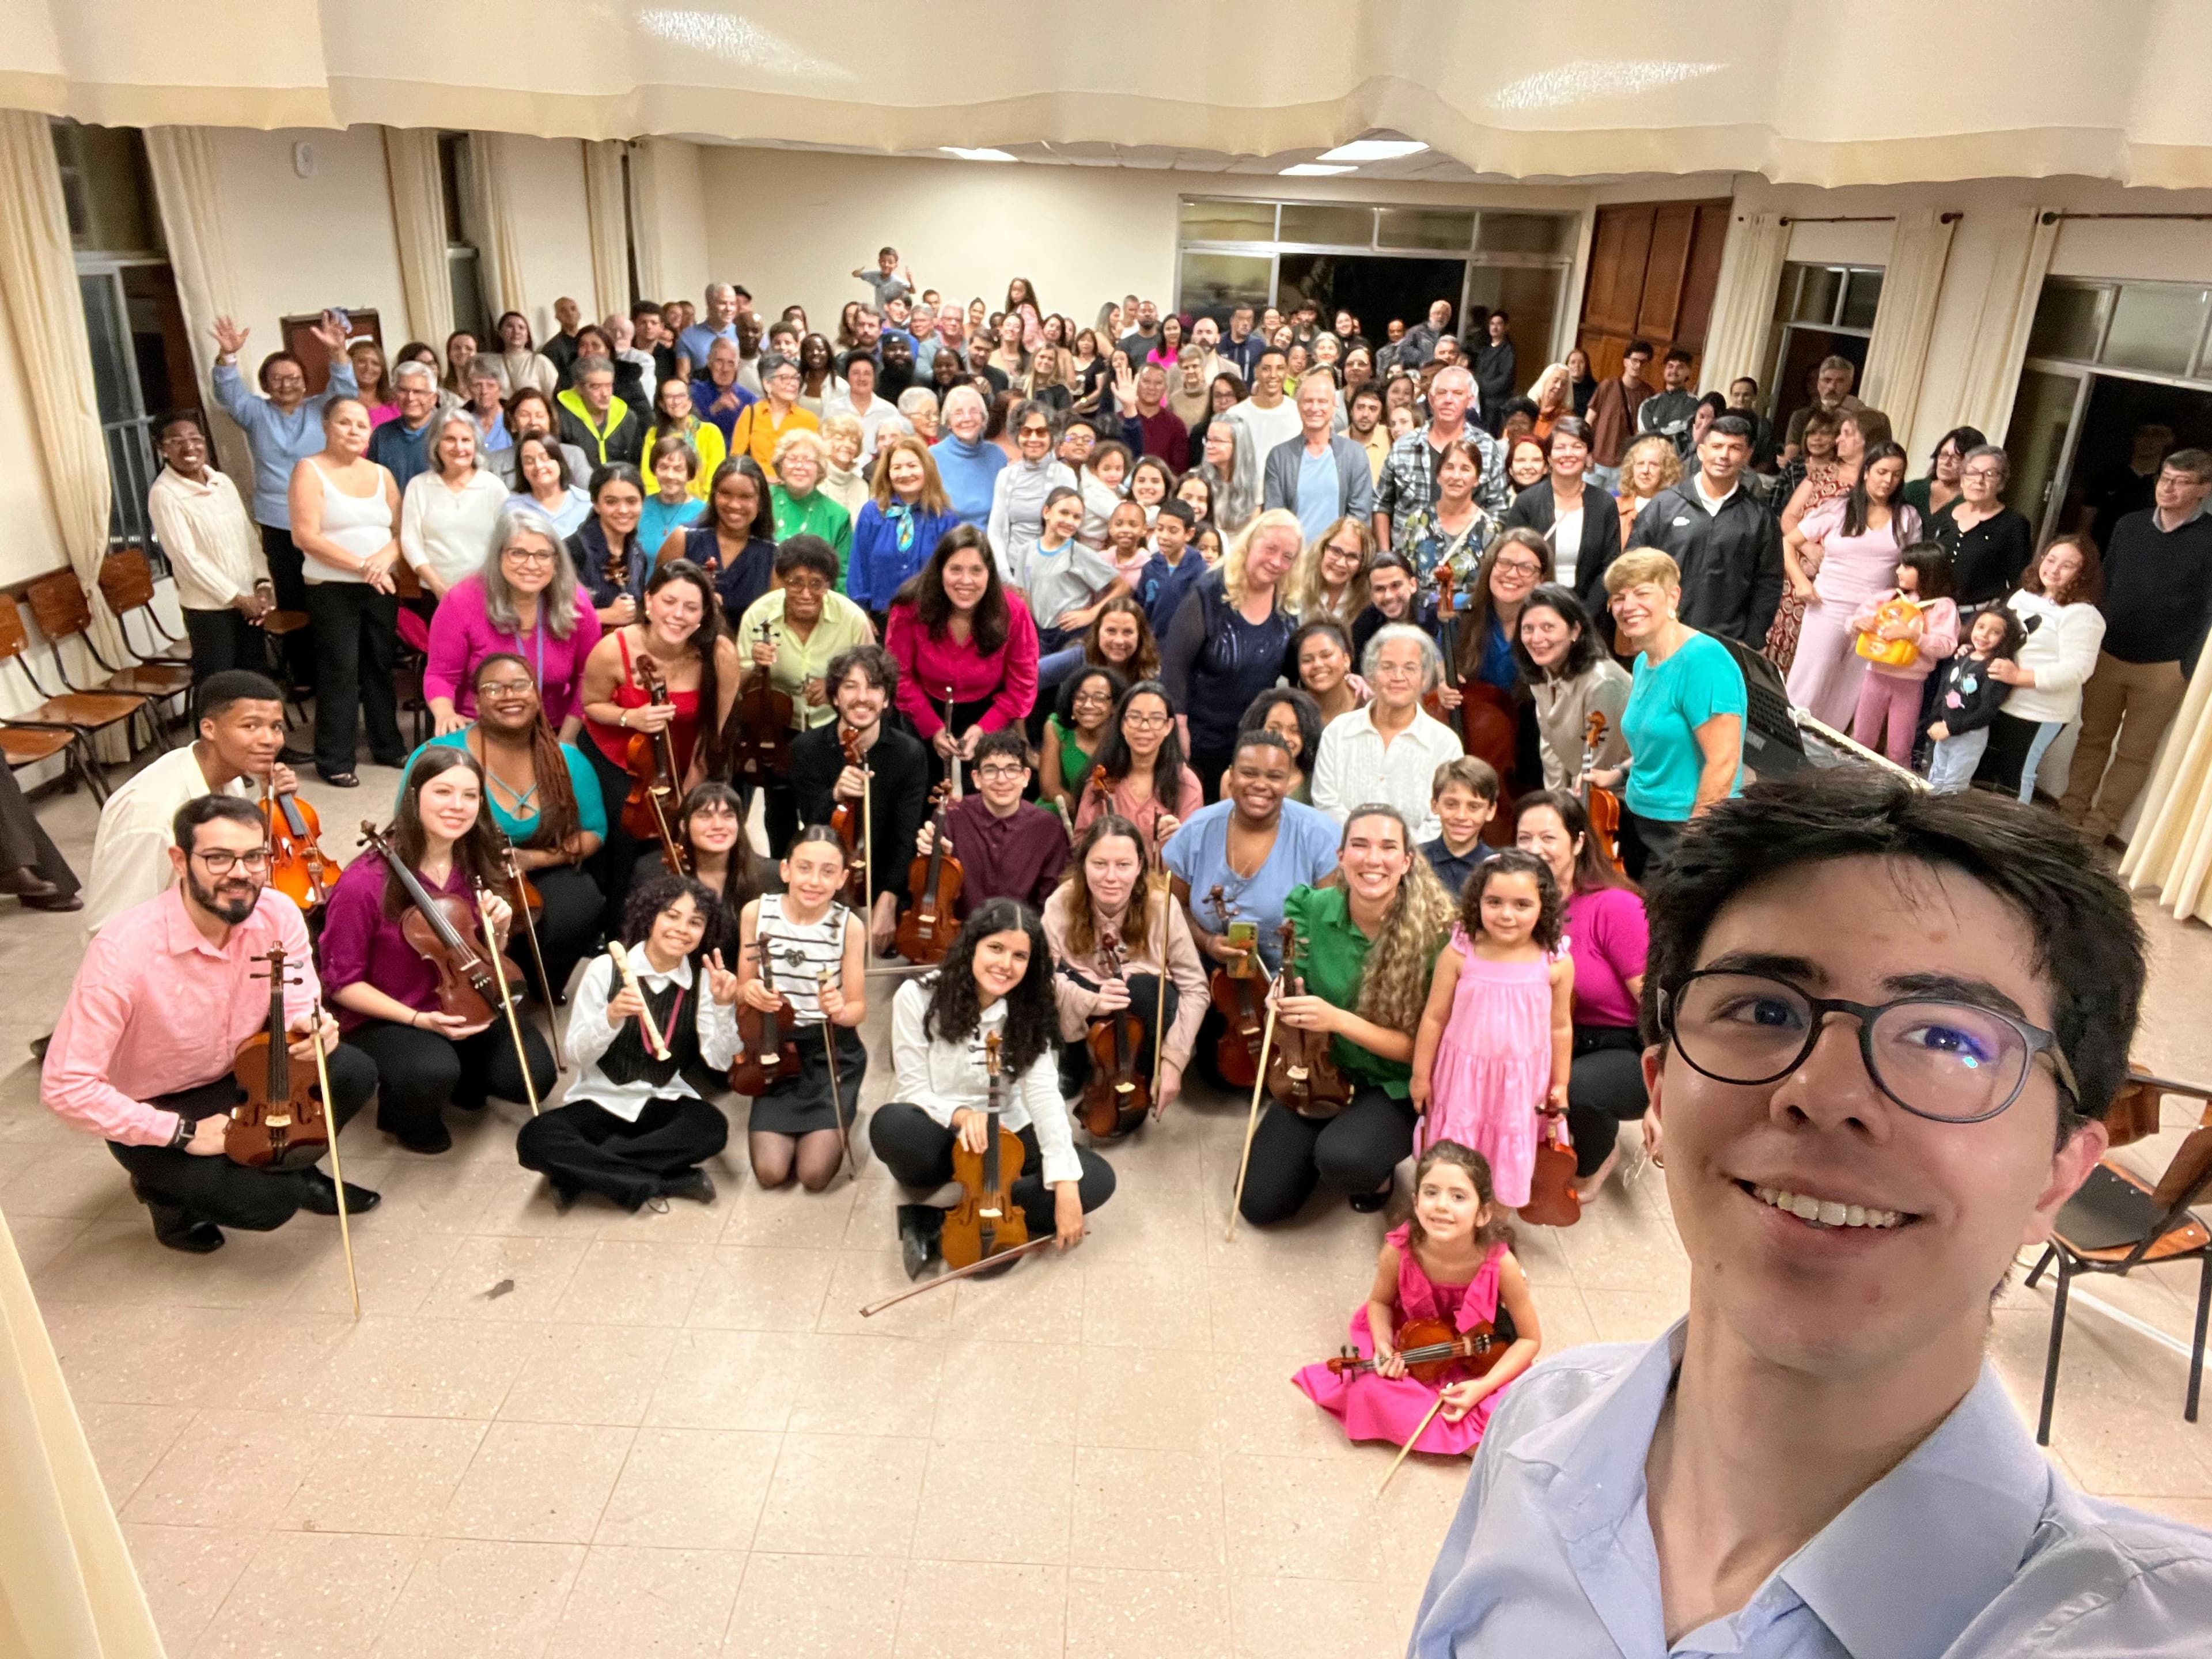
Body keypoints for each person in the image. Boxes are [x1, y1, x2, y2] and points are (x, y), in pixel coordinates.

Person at [1411, 767, 2209, 1659]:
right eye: (1762, 1008)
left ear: (2060, 1173)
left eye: (1946, 1037)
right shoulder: (1535, 1426)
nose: (1824, 1093)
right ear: (1662, 1096)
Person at [44, 794, 379, 1251]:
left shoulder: (277, 913)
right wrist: (181, 1133)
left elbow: (301, 994)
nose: (240, 873)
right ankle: (164, 1196)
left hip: (240, 1073)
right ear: (180, 861)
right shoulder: (122, 951)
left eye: (253, 856)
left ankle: (293, 1164)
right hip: (158, 1103)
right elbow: (66, 1087)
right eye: (218, 858)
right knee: (269, 1203)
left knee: (351, 1071)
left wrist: (312, 1023)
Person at [321, 748, 556, 1154]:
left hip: (466, 997)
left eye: (470, 796)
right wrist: (419, 1020)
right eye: (443, 792)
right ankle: (406, 1116)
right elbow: (343, 985)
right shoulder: (363, 883)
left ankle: (461, 1075)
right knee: (429, 1073)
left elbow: (481, 954)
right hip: (390, 1013)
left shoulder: (474, 861)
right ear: (414, 797)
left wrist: (498, 932)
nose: (457, 806)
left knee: (533, 1078)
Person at [871, 899, 1115, 1277]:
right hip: (941, 1132)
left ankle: (946, 1215)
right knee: (891, 1125)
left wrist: (1065, 1183)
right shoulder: (916, 997)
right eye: (996, 948)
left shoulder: (1030, 1006)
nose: (1006, 965)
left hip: (1007, 1134)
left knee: (1096, 1181)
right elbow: (914, 1087)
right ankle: (967, 1196)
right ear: (973, 945)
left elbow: (1043, 1093)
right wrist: (961, 1115)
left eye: (1020, 956)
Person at [1236, 804, 1456, 1221]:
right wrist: (1282, 997)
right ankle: (1330, 1140)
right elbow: (1296, 980)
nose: (1373, 859)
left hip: (1392, 1083)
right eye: (1359, 845)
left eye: (1388, 847)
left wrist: (1337, 1020)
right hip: (1321, 1070)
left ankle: (1375, 1170)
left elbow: (1428, 1053)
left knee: (1345, 1161)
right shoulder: (1312, 907)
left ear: (1407, 861)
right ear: (1341, 857)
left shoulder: (1439, 937)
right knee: (1260, 1205)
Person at [1293, 1139, 1542, 1452]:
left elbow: (1530, 1340)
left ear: (1483, 1213)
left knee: (1519, 1403)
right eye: (1431, 1192)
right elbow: (1379, 1303)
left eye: (1459, 1196)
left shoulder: (1501, 1263)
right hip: (1415, 1342)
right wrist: (1384, 1347)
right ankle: (1466, 1440)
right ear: (1415, 1202)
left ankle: (1453, 1430)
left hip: (1481, 1354)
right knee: (1367, 1387)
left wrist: (1483, 1388)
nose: (1441, 1205)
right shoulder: (1399, 1250)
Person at [514, 872, 736, 1212]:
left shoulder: (704, 980)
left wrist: (722, 1007)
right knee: (534, 1139)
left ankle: (580, 1174)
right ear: (650, 917)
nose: (682, 929)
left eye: (695, 922)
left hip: (664, 1097)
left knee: (712, 1129)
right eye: (672, 916)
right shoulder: (606, 969)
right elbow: (576, 1055)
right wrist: (611, 1017)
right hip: (601, 1099)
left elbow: (720, 1062)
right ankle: (666, 1180)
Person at [403, 648, 605, 990]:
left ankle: (540, 982)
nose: (509, 696)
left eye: (520, 685)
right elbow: (410, 830)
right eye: (494, 689)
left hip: (534, 866)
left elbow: (594, 832)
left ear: (538, 698)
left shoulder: (567, 759)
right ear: (476, 703)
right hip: (459, 867)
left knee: (579, 904)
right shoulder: (437, 755)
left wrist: (535, 859)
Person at [2060, 448, 2212, 844]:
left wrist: (2188, 667)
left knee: (2134, 754)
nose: (2168, 487)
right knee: (2092, 737)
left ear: (2204, 490)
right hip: (2109, 652)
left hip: (2165, 667)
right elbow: (2104, 583)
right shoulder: (2130, 525)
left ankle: (2096, 831)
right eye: (2165, 477)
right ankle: (2068, 816)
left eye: (2181, 482)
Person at [577, 559, 741, 924]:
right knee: (624, 841)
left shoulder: (720, 655)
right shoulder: (612, 648)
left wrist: (688, 794)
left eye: (691, 607)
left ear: (704, 614)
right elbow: (591, 706)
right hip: (619, 757)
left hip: (684, 759)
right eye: (669, 602)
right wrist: (630, 717)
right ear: (648, 601)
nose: (678, 615)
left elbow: (711, 735)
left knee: (680, 839)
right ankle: (617, 927)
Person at [1411, 847, 1573, 1208]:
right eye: (1494, 901)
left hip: (1520, 1084)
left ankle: (1495, 1230)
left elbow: (1560, 1027)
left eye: (1522, 904)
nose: (1506, 915)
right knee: (1455, 1157)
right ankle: (1450, 1226)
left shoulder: (1556, 961)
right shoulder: (1461, 951)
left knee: (1507, 1158)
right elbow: (1434, 1017)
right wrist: (1421, 1076)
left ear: (1543, 907)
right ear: (1477, 900)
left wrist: (1560, 1084)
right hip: (1462, 1080)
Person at [209, 308, 356, 694]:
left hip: (325, 518)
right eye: (276, 379)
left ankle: (338, 673)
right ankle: (303, 674)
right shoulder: (255, 413)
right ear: (266, 385)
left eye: (293, 378)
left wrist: (338, 353)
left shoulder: (320, 409)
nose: (286, 384)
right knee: (293, 600)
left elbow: (347, 393)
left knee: (330, 595)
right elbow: (229, 394)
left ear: (305, 382)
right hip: (278, 519)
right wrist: (228, 357)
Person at [81, 671, 294, 935]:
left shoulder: (230, 778)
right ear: (209, 729)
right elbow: (113, 928)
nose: (269, 740)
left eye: (276, 727)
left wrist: (264, 804)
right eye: (250, 726)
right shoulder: (152, 815)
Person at [1512, 789, 1647, 1198]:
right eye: (1524, 839)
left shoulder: (1614, 906)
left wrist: (1668, 1093)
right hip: (1554, 1035)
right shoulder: (1519, 905)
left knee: (1580, 1090)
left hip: (1624, 1046)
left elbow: (1659, 1004)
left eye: (1548, 838)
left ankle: (1600, 1156)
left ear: (1578, 842)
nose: (1535, 849)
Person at [729, 826, 868, 1192]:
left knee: (814, 1176)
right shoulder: (756, 912)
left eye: (827, 871)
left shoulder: (849, 926)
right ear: (786, 870)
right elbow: (744, 987)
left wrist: (839, 1010)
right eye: (804, 868)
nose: (814, 881)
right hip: (775, 1049)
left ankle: (843, 1109)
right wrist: (752, 991)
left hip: (829, 1049)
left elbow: (857, 1009)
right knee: (771, 1174)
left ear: (842, 878)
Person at [1043, 813, 1207, 1119]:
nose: (1111, 877)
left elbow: (1195, 987)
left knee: (1149, 990)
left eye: (1123, 865)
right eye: (1099, 864)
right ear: (1083, 865)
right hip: (1084, 1006)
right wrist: (1091, 1000)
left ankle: (1138, 1070)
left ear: (1140, 867)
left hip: (1136, 1012)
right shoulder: (1061, 902)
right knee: (1061, 982)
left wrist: (1174, 1060)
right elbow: (1040, 979)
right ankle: (1074, 1058)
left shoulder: (1162, 905)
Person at [1595, 551, 1745, 879]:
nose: (1628, 605)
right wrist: (1619, 774)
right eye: (1619, 597)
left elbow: (1723, 762)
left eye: (1642, 593)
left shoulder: (1704, 661)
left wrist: (1694, 847)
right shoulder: (1644, 660)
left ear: (1672, 597)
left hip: (1680, 830)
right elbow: (1661, 740)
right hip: (1641, 819)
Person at [288, 397, 404, 786]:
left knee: (379, 666)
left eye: (361, 424)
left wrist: (383, 558)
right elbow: (305, 536)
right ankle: (335, 758)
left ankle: (387, 746)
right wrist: (363, 567)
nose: (354, 431)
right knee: (340, 671)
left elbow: (401, 533)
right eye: (344, 423)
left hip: (381, 585)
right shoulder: (309, 471)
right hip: (333, 587)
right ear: (326, 426)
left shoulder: (381, 474)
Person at [791, 645, 929, 956]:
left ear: (887, 699)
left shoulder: (909, 754)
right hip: (825, 877)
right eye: (850, 687)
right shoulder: (807, 749)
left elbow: (904, 837)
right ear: (836, 697)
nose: (862, 697)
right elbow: (810, 825)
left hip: (885, 878)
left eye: (874, 687)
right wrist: (835, 795)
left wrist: (888, 900)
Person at [424, 503, 602, 738]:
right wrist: (445, 714)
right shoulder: (460, 601)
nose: (531, 565)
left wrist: (566, 741)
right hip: (479, 729)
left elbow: (588, 678)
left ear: (556, 562)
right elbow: (441, 675)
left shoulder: (576, 603)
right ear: (498, 556)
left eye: (543, 555)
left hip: (551, 728)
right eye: (518, 553)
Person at [1160, 509, 1301, 798]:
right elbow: (1175, 666)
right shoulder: (1208, 593)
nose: (1277, 562)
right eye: (1270, 549)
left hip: (1255, 743)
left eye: (1287, 556)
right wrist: (1180, 728)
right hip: (1200, 740)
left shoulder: (1286, 607)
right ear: (1250, 544)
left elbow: (1295, 668)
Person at [884, 526, 1041, 782]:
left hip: (990, 713)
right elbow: (898, 675)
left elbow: (1023, 682)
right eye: (956, 569)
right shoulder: (909, 607)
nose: (966, 581)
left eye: (976, 570)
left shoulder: (1013, 611)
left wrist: (985, 729)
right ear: (940, 570)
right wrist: (931, 727)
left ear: (990, 574)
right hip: (921, 712)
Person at [1781, 440, 1922, 726]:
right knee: (1810, 681)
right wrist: (1801, 583)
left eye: (1896, 474)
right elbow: (1788, 541)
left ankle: (1821, 756)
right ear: (1867, 471)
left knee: (1849, 692)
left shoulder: (1907, 517)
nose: (1888, 480)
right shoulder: (1838, 508)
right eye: (1882, 472)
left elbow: (1914, 567)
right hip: (1828, 606)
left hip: (1876, 616)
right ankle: (1784, 740)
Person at [1620, 416, 1783, 646]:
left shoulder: (1760, 518)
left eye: (1735, 448)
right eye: (1717, 447)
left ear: (1748, 455)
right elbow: (1633, 566)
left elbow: (1768, 583)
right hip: (1662, 635)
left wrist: (1752, 639)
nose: (1724, 456)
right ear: (1701, 451)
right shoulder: (1664, 505)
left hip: (1725, 644)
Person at [147, 411, 277, 684]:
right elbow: (187, 560)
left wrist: (262, 585)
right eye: (177, 441)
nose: (189, 447)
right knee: (218, 687)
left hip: (249, 604)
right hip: (209, 611)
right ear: (163, 449)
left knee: (254, 681)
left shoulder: (222, 483)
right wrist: (240, 600)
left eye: (195, 438)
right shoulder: (165, 494)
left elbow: (249, 537)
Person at [1977, 536, 2108, 802]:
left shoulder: (2083, 615)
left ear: (2083, 574)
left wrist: (2019, 677)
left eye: (2068, 565)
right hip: (2001, 699)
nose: (2055, 569)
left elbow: (2078, 670)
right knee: (1984, 771)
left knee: (2016, 777)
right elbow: (2000, 634)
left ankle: (2014, 837)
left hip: (2039, 712)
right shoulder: (2023, 596)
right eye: (2051, 560)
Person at [1312, 625, 1465, 840]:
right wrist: (1365, 845)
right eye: (1387, 667)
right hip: (1345, 858)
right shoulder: (1337, 732)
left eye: (1410, 668)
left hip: (1418, 863)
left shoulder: (1445, 743)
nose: (1398, 677)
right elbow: (1326, 804)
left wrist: (1398, 851)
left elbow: (1443, 817)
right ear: (1372, 674)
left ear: (1424, 678)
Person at [920, 726, 1070, 921]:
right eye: (991, 770)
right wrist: (931, 857)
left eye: (1011, 770)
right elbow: (932, 891)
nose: (1001, 780)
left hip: (1021, 937)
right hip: (958, 935)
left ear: (1026, 777)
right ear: (977, 779)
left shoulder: (1049, 828)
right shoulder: (951, 816)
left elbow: (1051, 901)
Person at [1849, 543, 1959, 767]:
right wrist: (1859, 624)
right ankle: (1852, 781)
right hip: (1875, 677)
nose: (1899, 571)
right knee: (1861, 740)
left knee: (1899, 749)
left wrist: (1913, 636)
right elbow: (1853, 623)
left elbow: (1947, 645)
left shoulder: (1942, 606)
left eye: (1907, 566)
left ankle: (1898, 791)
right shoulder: (1889, 597)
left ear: (1927, 571)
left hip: (1910, 684)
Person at [1376, 365, 1507, 553]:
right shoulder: (1403, 446)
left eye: (1457, 393)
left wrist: (1483, 553)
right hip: (1407, 561)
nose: (1448, 400)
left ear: (1470, 400)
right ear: (1431, 398)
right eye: (1442, 393)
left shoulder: (1486, 447)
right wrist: (1386, 556)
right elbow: (1382, 503)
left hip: (1467, 561)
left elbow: (1498, 508)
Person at [1516, 584, 1630, 791]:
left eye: (1548, 627)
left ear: (1575, 630)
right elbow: (1550, 748)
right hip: (1579, 792)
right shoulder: (1542, 673)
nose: (1536, 639)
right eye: (1528, 629)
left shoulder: (1603, 683)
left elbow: (1600, 769)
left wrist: (1570, 813)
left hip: (1621, 799)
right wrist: (1556, 804)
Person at [1074, 677, 1202, 844]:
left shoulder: (1186, 783)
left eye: (1155, 719)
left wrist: (1180, 839)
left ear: (1168, 727)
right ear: (1122, 724)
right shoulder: (1102, 778)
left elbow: (1195, 851)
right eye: (1135, 717)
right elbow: (1080, 844)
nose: (1144, 727)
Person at [1501, 415, 1616, 597]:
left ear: (1588, 455)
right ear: (1549, 456)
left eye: (1577, 446)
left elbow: (1610, 566)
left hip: (1590, 612)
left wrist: (1584, 615)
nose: (1568, 453)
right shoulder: (1527, 502)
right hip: (1535, 604)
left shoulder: (1605, 504)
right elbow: (1513, 559)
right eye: (1560, 447)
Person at [397, 410, 507, 600]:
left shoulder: (494, 487)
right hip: (434, 593)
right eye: (450, 439)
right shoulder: (419, 486)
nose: (459, 447)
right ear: (436, 444)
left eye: (466, 440)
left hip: (487, 593)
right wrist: (438, 587)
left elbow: (507, 541)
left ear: (476, 445)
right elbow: (410, 541)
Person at [1262, 369, 1376, 549]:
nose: (1315, 408)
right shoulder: (1279, 457)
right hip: (1293, 562)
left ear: (1334, 406)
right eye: (1308, 401)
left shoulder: (1354, 455)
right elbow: (1274, 517)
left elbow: (1359, 520)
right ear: (1299, 406)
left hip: (1338, 562)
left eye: (1322, 402)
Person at [849, 434, 959, 616]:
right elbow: (859, 567)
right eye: (897, 468)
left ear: (926, 469)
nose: (905, 474)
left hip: (930, 615)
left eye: (912, 466)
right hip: (881, 616)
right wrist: (862, 613)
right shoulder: (872, 513)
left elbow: (952, 572)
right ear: (887, 473)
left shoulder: (945, 519)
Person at [664, 454, 777, 623]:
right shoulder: (684, 538)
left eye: (745, 497)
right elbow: (658, 601)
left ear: (761, 502)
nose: (734, 505)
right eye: (725, 494)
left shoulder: (774, 554)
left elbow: (773, 622)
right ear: (714, 495)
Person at [1925, 607, 2025, 795]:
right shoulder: (1964, 655)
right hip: (1945, 730)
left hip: (1967, 736)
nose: (1984, 635)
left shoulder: (1995, 668)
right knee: (1935, 778)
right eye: (1981, 627)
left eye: (1995, 632)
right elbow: (1945, 690)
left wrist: (1951, 728)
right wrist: (1935, 720)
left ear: (2005, 638)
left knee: (1954, 786)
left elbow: (1986, 711)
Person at [1927, 443, 2036, 616]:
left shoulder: (2014, 524)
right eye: (1972, 473)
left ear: (2001, 483)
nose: (1979, 481)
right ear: (1962, 480)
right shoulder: (1945, 515)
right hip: (1932, 612)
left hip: (1977, 617)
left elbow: (2020, 582)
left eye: (1990, 474)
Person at [1040, 664, 1123, 817]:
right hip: (1065, 811)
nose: (1088, 705)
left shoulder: (1125, 735)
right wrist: (1084, 815)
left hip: (1112, 815)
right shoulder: (1056, 727)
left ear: (1115, 707)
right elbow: (1049, 790)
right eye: (1080, 697)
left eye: (1099, 698)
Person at [766, 427, 854, 570]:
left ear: (820, 468)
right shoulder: (763, 500)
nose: (800, 466)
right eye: (792, 459)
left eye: (808, 460)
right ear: (780, 464)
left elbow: (843, 575)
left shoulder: (837, 516)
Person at [2080, 421, 2176, 549]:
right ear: (2135, 438)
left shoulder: (2168, 484)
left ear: (2169, 440)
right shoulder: (2107, 477)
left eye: (2157, 434)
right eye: (2143, 433)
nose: (2149, 440)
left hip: (2144, 554)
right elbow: (2085, 525)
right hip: (2102, 552)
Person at [1422, 756, 1501, 895]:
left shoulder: (1499, 867)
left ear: (1490, 811)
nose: (1461, 816)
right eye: (1451, 805)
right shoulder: (1416, 861)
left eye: (1474, 807)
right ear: (1435, 805)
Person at [1584, 340, 1653, 490]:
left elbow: (1645, 434)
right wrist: (1586, 452)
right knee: (1585, 506)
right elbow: (1588, 422)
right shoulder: (1608, 386)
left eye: (1643, 362)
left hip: (1623, 466)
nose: (1638, 366)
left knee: (1613, 509)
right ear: (1625, 361)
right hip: (1596, 461)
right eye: (1635, 360)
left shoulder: (1648, 395)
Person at [366, 359, 441, 494]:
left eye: (418, 392)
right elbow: (372, 483)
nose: (410, 398)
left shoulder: (447, 432)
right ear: (395, 394)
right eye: (403, 390)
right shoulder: (382, 435)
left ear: (433, 398)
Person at [1779, 350, 1867, 462]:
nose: (1831, 387)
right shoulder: (1801, 416)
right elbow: (1790, 460)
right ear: (1818, 383)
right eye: (1827, 380)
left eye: (1840, 381)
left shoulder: (1858, 416)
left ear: (1850, 384)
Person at [510, 431, 593, 539]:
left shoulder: (586, 504)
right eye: (529, 461)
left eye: (544, 458)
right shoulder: (511, 507)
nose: (538, 466)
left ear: (559, 461)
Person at [1902, 425, 1986, 518]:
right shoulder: (1913, 490)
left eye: (1956, 458)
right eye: (1944, 454)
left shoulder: (1972, 504)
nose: (1947, 462)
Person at [1634, 347, 1700, 455]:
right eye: (1670, 366)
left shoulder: (1696, 404)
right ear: (1665, 370)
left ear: (1688, 372)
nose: (1674, 371)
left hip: (1681, 465)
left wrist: (1658, 432)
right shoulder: (1648, 405)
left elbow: (1691, 437)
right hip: (1652, 461)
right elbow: (1646, 438)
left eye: (1680, 367)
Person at [675, 283, 744, 380]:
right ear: (709, 304)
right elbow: (683, 376)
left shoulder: (745, 333)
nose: (729, 309)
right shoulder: (688, 336)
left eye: (732, 304)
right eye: (723, 303)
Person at [486, 312, 557, 399]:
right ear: (500, 332)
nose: (516, 331)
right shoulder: (490, 363)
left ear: (528, 335)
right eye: (510, 326)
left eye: (521, 327)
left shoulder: (540, 361)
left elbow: (551, 398)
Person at [1471, 311, 1518, 435]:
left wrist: (1483, 387)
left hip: (1496, 405)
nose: (1495, 327)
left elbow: (1506, 379)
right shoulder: (1485, 349)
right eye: (1492, 324)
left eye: (1499, 324)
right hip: (1480, 402)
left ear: (1506, 327)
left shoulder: (1508, 351)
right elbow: (1478, 372)